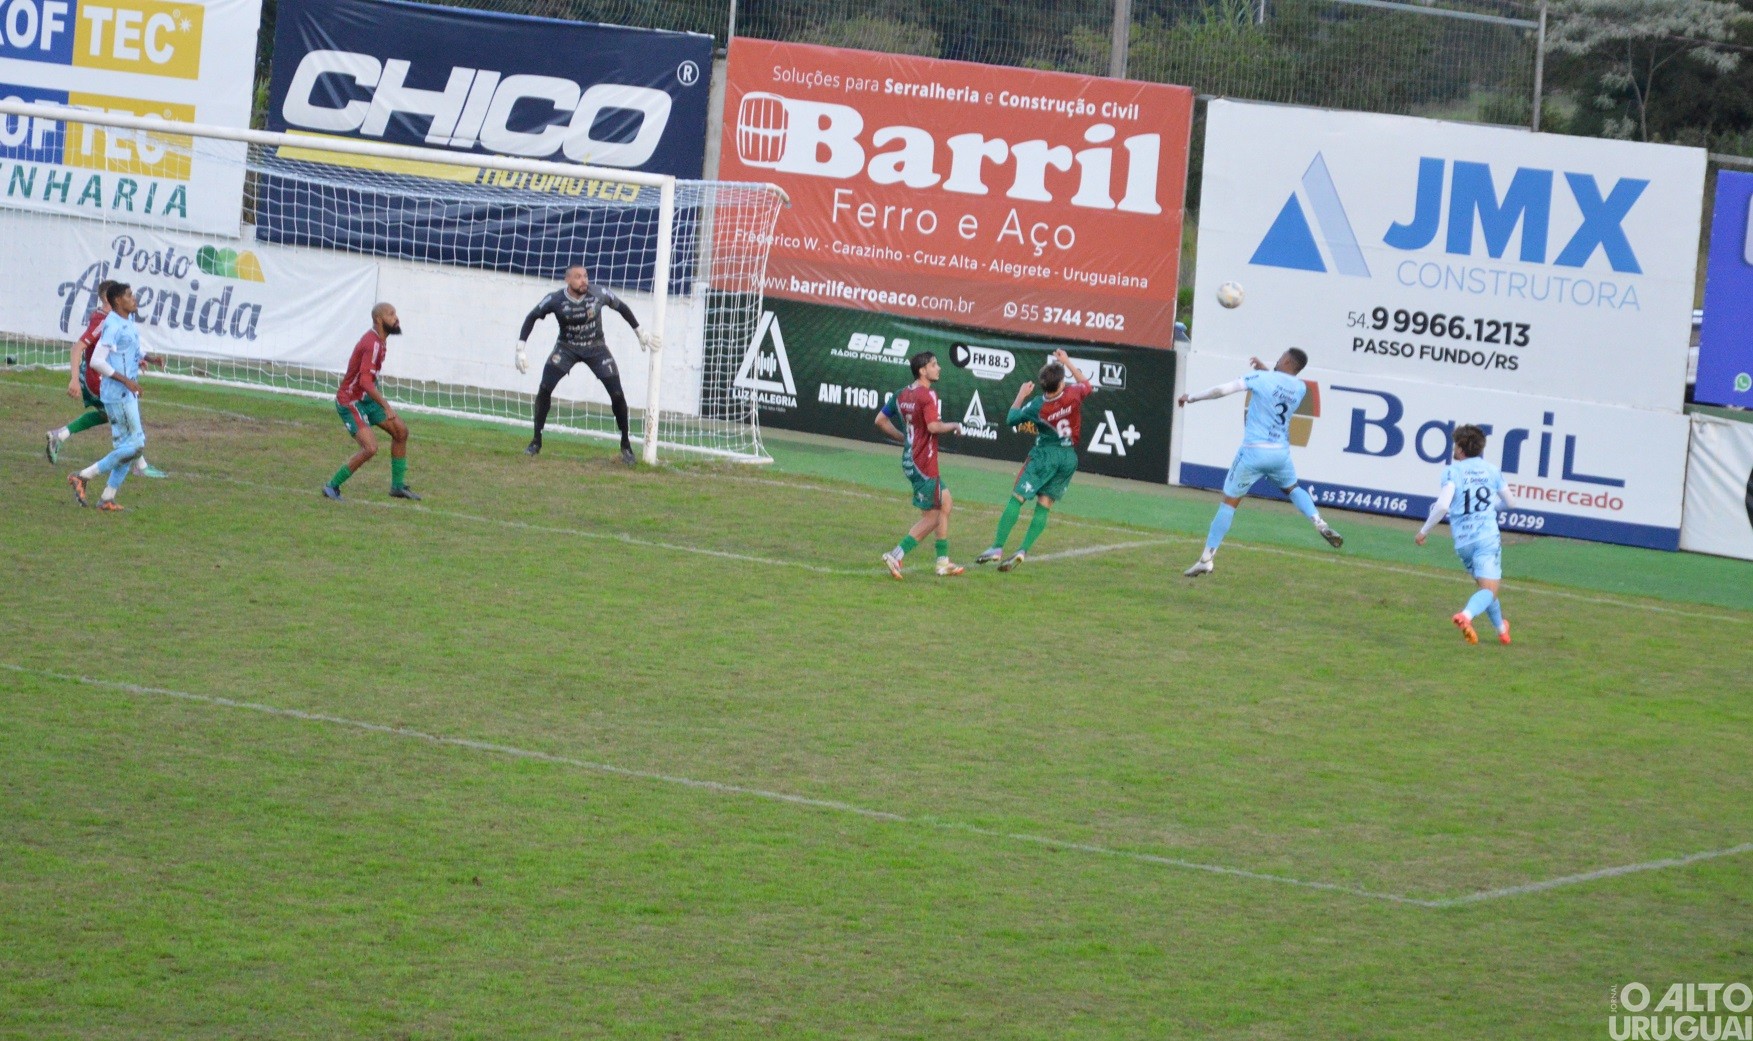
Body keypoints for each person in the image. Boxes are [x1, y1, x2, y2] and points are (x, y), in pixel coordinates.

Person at [1176, 349, 1342, 578]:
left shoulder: (1261, 379)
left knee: (1229, 504)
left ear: (1285, 360)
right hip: (1280, 454)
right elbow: (1279, 385)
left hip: (1253, 452)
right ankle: (1320, 523)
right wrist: (1265, 370)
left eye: (1281, 356)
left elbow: (1221, 391)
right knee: (1293, 488)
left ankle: (1206, 559)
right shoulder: (1300, 388)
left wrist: (1191, 397)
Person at [515, 264, 655, 466]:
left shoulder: (598, 293)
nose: (584, 281)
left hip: (596, 348)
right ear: (568, 280)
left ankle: (626, 445)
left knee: (617, 394)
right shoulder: (555, 299)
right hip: (566, 348)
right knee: (544, 388)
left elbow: (622, 307)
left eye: (586, 276)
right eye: (578, 277)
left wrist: (640, 332)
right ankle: (536, 441)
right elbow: (532, 316)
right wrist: (520, 348)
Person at [976, 349, 1092, 573]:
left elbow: (1011, 419)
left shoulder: (1038, 405)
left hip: (1045, 455)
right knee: (1044, 505)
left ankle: (997, 547)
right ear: (1060, 384)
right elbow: (1086, 384)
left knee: (1017, 497)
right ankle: (1022, 550)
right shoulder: (1073, 394)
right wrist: (1066, 360)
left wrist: (1021, 395)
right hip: (1068, 458)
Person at [45, 278, 165, 478]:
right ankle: (139, 465)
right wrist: (74, 379)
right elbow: (78, 348)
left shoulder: (119, 319)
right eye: (125, 296)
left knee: (108, 415)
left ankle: (60, 435)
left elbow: (124, 345)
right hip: (98, 379)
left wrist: (143, 358)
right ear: (112, 300)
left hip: (103, 376)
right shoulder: (103, 321)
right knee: (125, 415)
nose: (130, 299)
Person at [1415, 424, 1516, 646]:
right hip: (1486, 539)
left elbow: (1442, 506)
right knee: (1489, 591)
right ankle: (1466, 616)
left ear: (1460, 448)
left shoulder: (1453, 472)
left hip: (1463, 541)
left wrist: (1424, 531)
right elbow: (1510, 502)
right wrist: (1492, 509)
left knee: (1486, 590)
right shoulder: (1491, 470)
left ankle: (1502, 631)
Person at [874, 351, 964, 579]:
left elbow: (880, 420)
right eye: (934, 365)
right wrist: (953, 424)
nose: (939, 368)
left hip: (911, 460)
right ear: (923, 370)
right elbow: (933, 427)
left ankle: (942, 562)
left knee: (946, 503)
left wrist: (904, 439)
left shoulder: (901, 394)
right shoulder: (928, 395)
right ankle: (896, 554)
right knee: (932, 517)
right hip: (924, 463)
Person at [323, 303, 419, 502]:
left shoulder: (380, 341)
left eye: (395, 313)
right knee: (370, 448)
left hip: (364, 399)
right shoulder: (372, 344)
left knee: (401, 431)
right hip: (350, 401)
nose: (396, 318)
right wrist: (386, 406)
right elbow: (366, 382)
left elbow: (366, 380)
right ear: (378, 320)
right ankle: (332, 486)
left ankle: (397, 486)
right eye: (391, 314)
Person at [66, 283, 148, 512]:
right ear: (118, 301)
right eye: (129, 295)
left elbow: (127, 348)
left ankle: (107, 498)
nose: (134, 298)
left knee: (127, 446)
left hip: (126, 391)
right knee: (137, 444)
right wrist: (126, 380)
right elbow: (96, 361)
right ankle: (82, 476)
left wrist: (147, 357)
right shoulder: (111, 324)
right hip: (118, 393)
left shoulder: (127, 321)